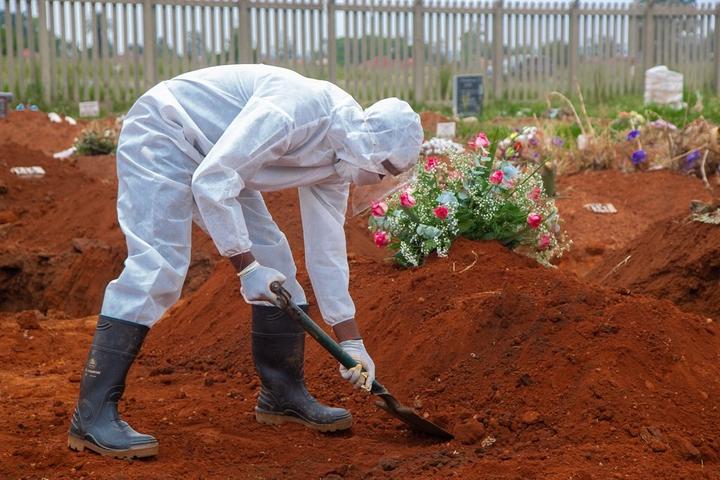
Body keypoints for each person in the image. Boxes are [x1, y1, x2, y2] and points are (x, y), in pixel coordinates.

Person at [67, 64, 423, 459]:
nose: (377, 181)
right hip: (166, 131)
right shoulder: (297, 111)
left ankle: (282, 395)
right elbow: (212, 182)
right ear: (370, 147)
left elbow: (327, 249)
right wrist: (247, 269)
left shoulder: (344, 157)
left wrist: (351, 339)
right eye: (385, 171)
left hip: (216, 155)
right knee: (159, 267)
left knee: (279, 267)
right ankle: (92, 417)